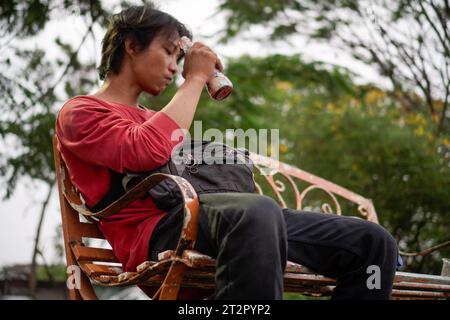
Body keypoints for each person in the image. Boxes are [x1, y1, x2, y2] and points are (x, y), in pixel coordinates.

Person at [55, 3, 398, 300]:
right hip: (158, 231)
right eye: (169, 52)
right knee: (258, 211)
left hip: (223, 220)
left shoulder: (154, 117)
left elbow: (161, 143)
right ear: (132, 45)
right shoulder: (81, 112)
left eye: (180, 57)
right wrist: (195, 79)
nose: (175, 68)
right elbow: (145, 149)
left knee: (372, 242)